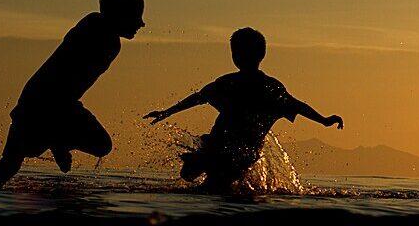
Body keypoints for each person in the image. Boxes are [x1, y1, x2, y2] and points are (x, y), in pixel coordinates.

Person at [0, 0, 145, 190]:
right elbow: (65, 76)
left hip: (45, 100)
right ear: (119, 13)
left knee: (10, 165)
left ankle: (55, 143)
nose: (141, 23)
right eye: (136, 15)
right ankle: (57, 142)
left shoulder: (105, 36)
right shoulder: (96, 28)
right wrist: (59, 142)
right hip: (47, 102)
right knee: (11, 164)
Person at [144, 27, 343, 191]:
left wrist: (167, 112)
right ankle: (200, 163)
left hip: (225, 150)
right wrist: (324, 120)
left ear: (235, 56)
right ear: (262, 54)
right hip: (241, 154)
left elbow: (197, 98)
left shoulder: (232, 83)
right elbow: (298, 106)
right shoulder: (268, 87)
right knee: (209, 183)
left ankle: (199, 162)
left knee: (204, 181)